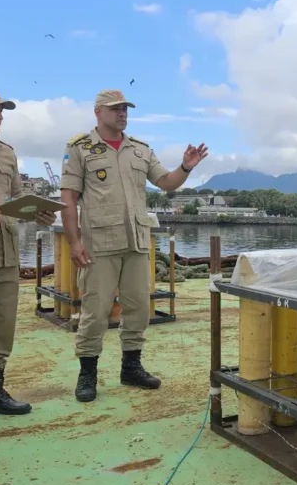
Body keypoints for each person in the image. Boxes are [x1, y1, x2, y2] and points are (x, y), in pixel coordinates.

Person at [60, 89, 208, 403]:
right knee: (95, 311)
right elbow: (69, 199)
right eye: (115, 109)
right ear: (98, 112)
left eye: (125, 108)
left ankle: (131, 367)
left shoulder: (139, 150)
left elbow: (166, 182)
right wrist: (74, 243)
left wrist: (185, 167)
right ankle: (88, 373)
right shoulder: (80, 148)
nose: (122, 113)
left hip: (137, 241)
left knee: (139, 307)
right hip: (99, 243)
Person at [0, 83, 57, 433]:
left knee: (1, 329)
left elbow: (16, 197)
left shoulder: (7, 153)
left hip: (5, 253)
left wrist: (38, 212)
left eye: (1, 109)